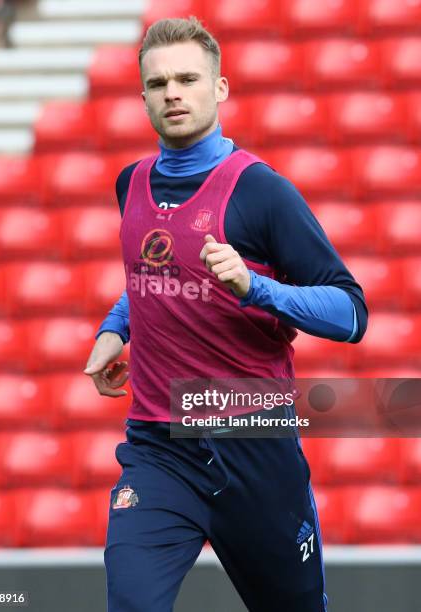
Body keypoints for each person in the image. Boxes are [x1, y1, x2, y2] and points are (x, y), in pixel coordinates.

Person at [84, 17, 368, 612]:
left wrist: (255, 288)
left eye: (188, 78)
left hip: (253, 442)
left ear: (220, 88)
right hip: (159, 446)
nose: (173, 93)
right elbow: (152, 270)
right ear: (142, 98)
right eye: (158, 83)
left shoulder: (263, 192)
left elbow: (350, 312)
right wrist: (117, 327)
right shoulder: (129, 183)